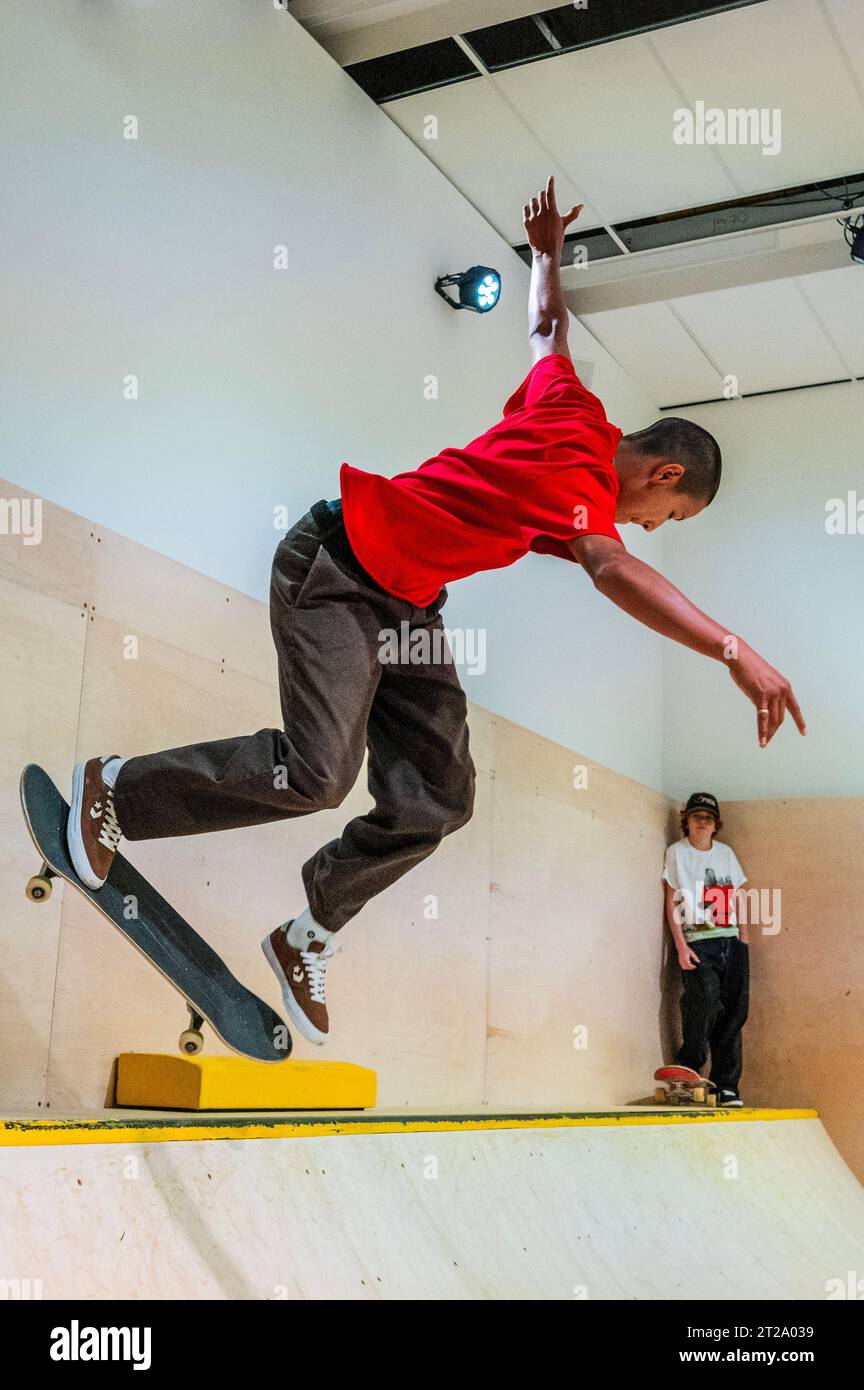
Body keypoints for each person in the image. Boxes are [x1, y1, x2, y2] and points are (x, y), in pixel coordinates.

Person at [64, 176, 805, 1046]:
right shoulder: (584, 491)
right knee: (317, 774)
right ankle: (116, 789)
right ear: (665, 475)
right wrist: (731, 648)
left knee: (441, 796)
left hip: (406, 606)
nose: (648, 527)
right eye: (665, 517)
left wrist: (545, 257)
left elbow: (544, 330)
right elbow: (609, 567)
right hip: (336, 565)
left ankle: (309, 931)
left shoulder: (571, 401)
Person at [663, 792, 750, 1105]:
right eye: (697, 815)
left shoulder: (725, 853)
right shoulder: (677, 852)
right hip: (698, 941)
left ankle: (728, 1086)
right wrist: (680, 946)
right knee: (704, 1000)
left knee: (734, 1013)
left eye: (708, 817)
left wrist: (744, 937)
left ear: (716, 825)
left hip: (731, 940)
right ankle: (689, 1063)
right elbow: (671, 897)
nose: (702, 820)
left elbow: (738, 895)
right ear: (686, 820)